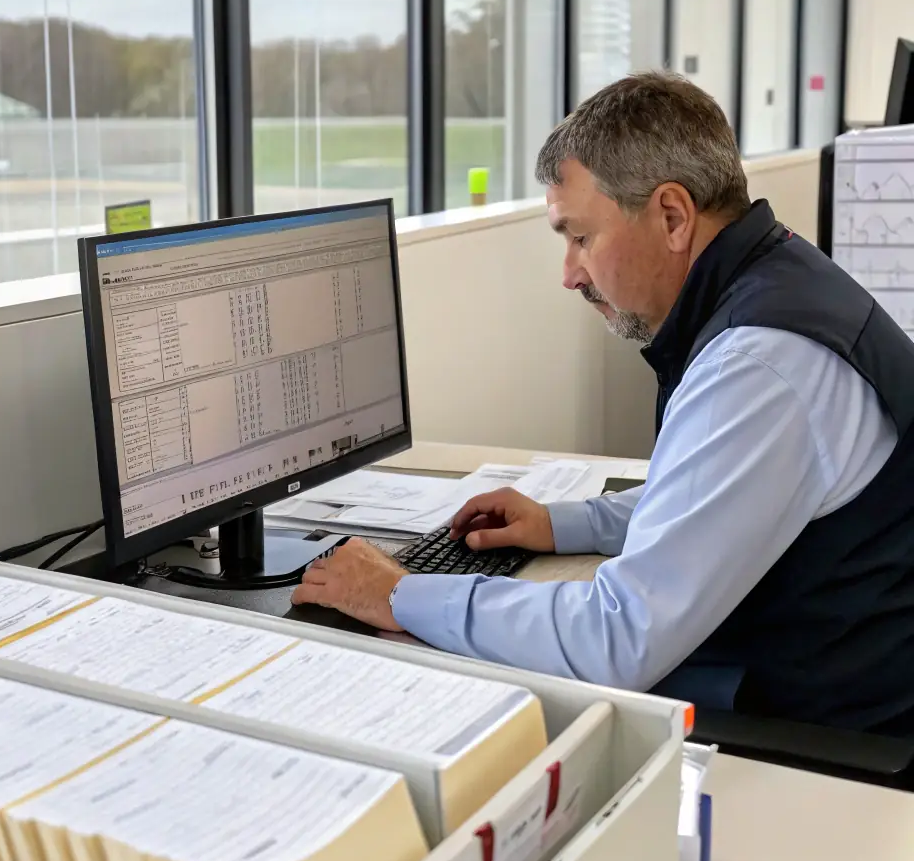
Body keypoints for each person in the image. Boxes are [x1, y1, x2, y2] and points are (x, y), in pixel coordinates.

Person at [292, 72, 914, 733]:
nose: (569, 274)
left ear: (672, 216)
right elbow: (713, 496)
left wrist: (399, 593)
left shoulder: (757, 363)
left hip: (835, 730)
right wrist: (563, 524)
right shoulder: (779, 282)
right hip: (828, 663)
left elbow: (615, 641)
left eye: (581, 238)